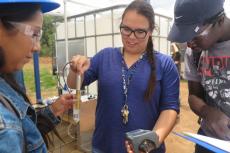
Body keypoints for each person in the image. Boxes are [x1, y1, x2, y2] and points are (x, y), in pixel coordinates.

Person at [67, 1, 180, 153]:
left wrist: (150, 142)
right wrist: (75, 70)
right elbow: (74, 84)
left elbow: (170, 108)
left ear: (151, 31)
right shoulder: (105, 56)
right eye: (126, 29)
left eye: (140, 32)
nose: (131, 37)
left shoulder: (165, 64)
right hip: (104, 146)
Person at [0, 0, 75, 152]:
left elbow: (25, 135)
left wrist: (52, 111)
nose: (37, 47)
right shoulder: (5, 127)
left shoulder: (6, 79)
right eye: (34, 33)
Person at [168, 0, 230, 152]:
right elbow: (194, 95)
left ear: (220, 20)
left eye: (195, 35)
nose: (189, 44)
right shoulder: (195, 52)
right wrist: (207, 112)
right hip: (209, 142)